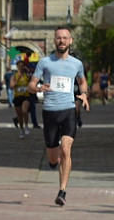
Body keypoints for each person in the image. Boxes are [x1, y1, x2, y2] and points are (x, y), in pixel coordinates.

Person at [26, 26, 89, 206]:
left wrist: (83, 94)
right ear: (55, 41)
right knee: (53, 157)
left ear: (70, 41)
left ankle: (62, 191)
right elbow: (31, 85)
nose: (62, 41)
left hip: (68, 110)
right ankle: (54, 162)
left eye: (65, 38)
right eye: (58, 38)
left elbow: (82, 82)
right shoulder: (45, 62)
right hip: (50, 112)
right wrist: (38, 88)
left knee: (66, 149)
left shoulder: (76, 64)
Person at [11, 60, 33, 137]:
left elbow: (32, 83)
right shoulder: (14, 76)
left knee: (25, 110)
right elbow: (11, 86)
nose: (21, 67)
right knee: (20, 115)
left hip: (25, 96)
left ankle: (26, 126)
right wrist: (18, 79)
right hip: (17, 97)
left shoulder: (27, 75)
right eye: (19, 66)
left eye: (22, 66)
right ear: (17, 67)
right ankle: (21, 130)